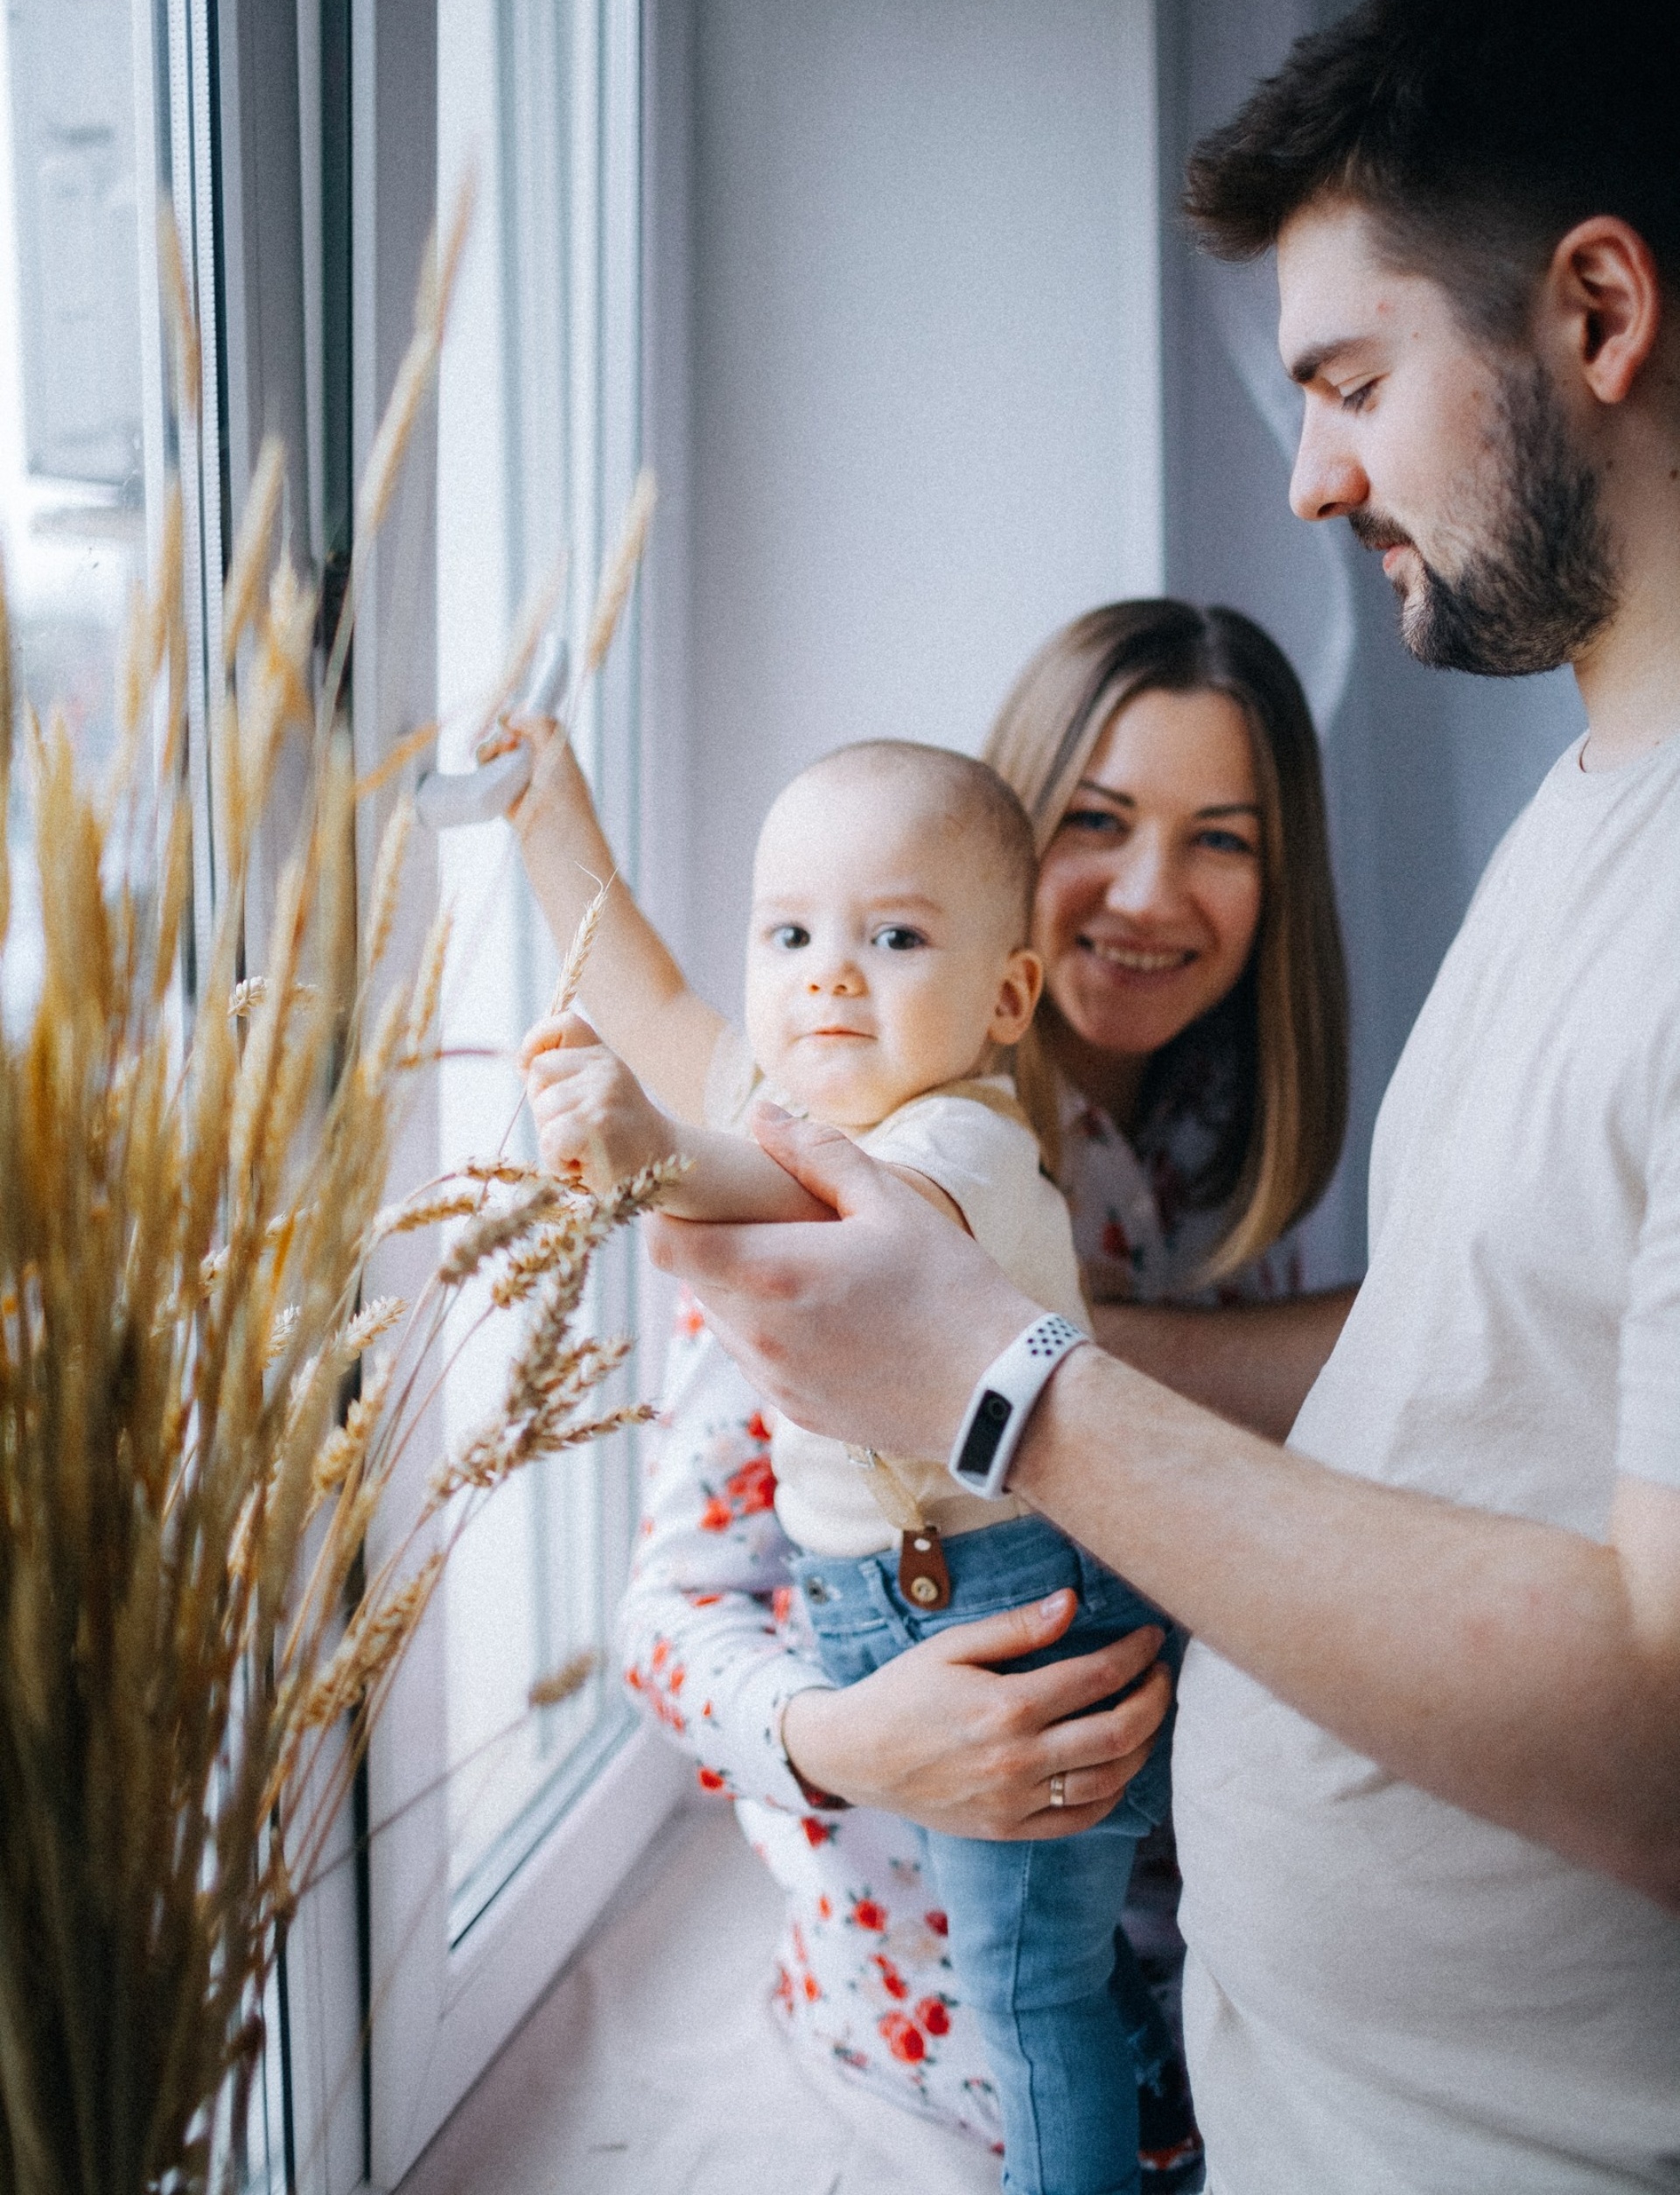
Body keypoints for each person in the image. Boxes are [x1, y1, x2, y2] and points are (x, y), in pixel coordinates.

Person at [643, 0, 1680, 2192]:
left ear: (1598, 313)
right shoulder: (1587, 803)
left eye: (1345, 376)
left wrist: (1009, 1374)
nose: (1312, 475)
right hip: (1151, 2064)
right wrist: (970, 1394)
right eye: (1092, 826)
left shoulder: (1212, 1148)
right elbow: (1458, 1360)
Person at [509, 604, 1349, 2187]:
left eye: (1219, 839)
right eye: (1097, 822)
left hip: (1186, 2011)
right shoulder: (840, 1174)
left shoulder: (1184, 1167)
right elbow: (663, 1624)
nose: (1153, 892)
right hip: (937, 2049)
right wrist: (848, 1739)